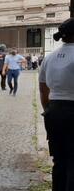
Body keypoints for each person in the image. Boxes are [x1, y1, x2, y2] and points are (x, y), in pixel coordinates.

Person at [39, 18, 74, 191]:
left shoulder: (49, 57)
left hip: (54, 111)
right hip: (71, 111)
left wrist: (48, 110)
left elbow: (43, 88)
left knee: (59, 161)